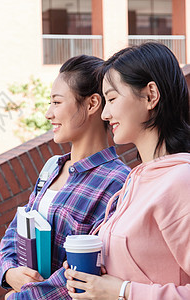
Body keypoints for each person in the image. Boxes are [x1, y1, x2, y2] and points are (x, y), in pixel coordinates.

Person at [0, 55, 131, 299]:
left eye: (57, 102)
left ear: (92, 104)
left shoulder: (118, 182)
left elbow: (86, 271)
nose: (48, 113)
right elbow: (17, 228)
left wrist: (20, 297)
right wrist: (9, 272)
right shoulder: (51, 167)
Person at [64, 42, 190, 299]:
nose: (105, 114)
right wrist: (92, 280)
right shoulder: (139, 178)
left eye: (111, 99)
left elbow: (127, 287)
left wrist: (123, 291)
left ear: (150, 95)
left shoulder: (180, 181)